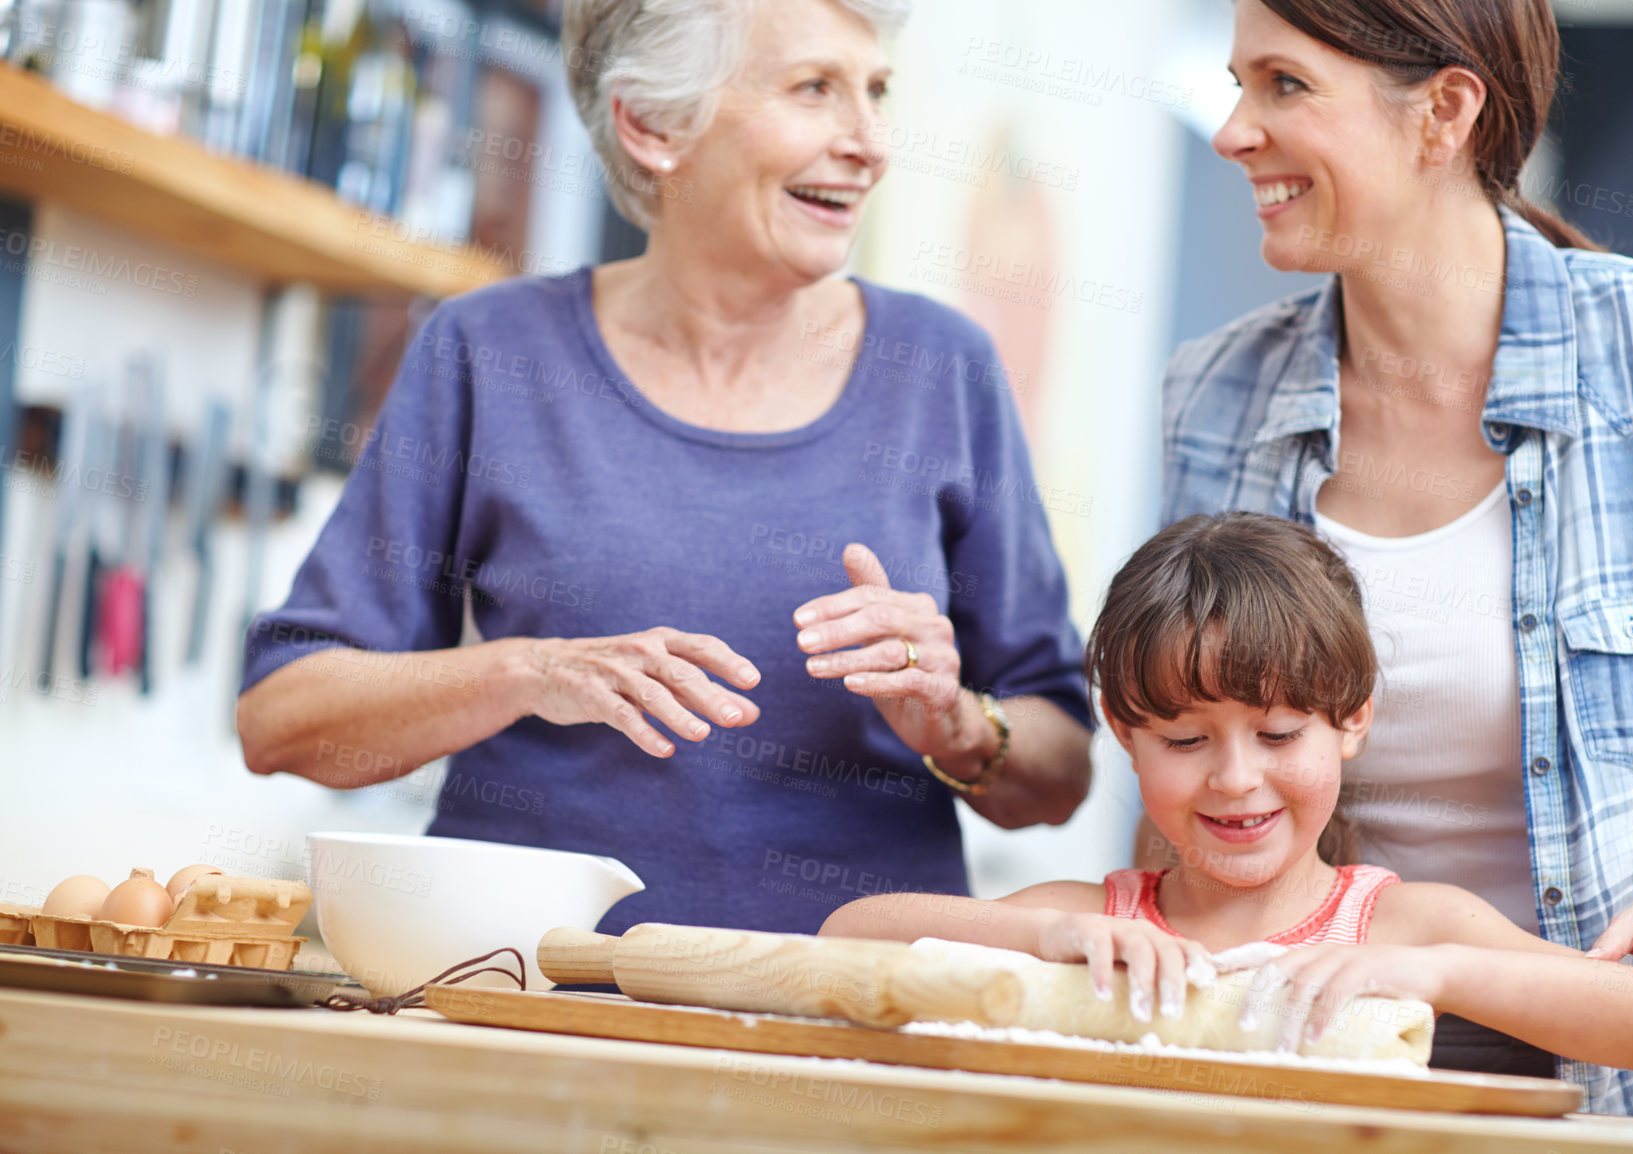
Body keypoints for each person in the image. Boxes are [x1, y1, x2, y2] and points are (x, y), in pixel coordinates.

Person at [235, 0, 1093, 937]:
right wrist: (526, 673)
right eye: (814, 89)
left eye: (875, 92)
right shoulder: (490, 350)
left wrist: (961, 725)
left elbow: (1059, 774)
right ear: (651, 125)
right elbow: (283, 720)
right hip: (524, 994)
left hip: (854, 1021)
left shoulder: (942, 369)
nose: (870, 142)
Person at [1143, 0, 1633, 1118]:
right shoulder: (1215, 392)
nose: (1230, 130)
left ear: (1445, 111)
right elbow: (1180, 764)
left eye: (1283, 85)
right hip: (1316, 1081)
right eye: (1235, 82)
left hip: (1632, 1080)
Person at [822, 513, 1633, 1076]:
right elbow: (846, 940)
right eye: (1185, 741)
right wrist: (1047, 932)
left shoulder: (1405, 927)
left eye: (1278, 736)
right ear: (1125, 736)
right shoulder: (1101, 924)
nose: (1236, 780)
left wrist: (1439, 975)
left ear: (1352, 720)